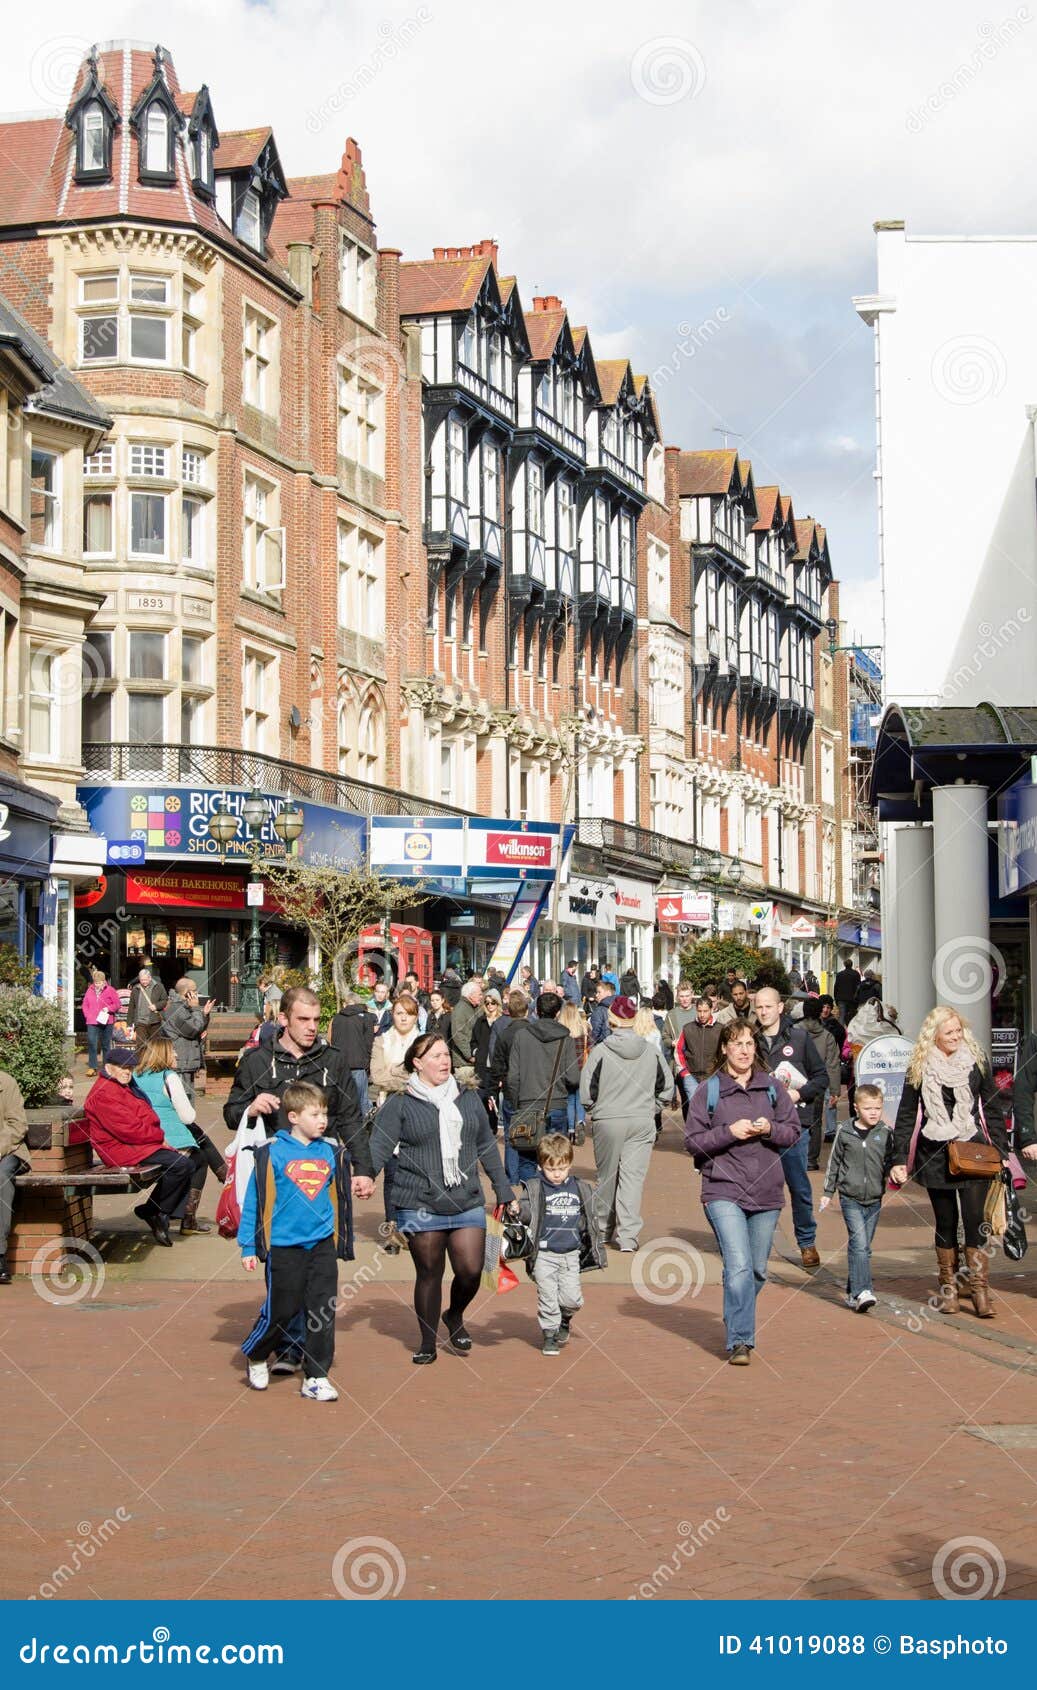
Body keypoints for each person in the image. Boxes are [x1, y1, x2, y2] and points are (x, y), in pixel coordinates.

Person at [369, 1032, 514, 1362]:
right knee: (430, 1272)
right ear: (417, 1063)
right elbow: (379, 1145)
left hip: (466, 1197)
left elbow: (485, 1145)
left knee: (471, 1269)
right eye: (435, 1056)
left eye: (446, 1054)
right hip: (419, 1201)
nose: (445, 1061)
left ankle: (455, 1314)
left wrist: (503, 1189)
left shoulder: (467, 1097)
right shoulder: (400, 1103)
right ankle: (427, 1342)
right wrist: (365, 1176)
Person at [684, 1020, 801, 1363]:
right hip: (723, 1189)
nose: (744, 1050)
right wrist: (729, 1132)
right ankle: (740, 1341)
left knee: (756, 1270)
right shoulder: (709, 1091)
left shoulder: (772, 1088)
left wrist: (771, 1129)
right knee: (738, 1266)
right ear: (724, 1049)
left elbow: (793, 1132)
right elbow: (693, 1142)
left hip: (766, 1191)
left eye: (749, 1043)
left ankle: (735, 1311)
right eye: (737, 1044)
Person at [890, 1005, 1009, 1319]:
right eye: (949, 1032)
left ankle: (979, 1290)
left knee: (974, 1221)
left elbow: (992, 1108)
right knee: (945, 1223)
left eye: (958, 1030)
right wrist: (899, 1158)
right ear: (935, 1036)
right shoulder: (919, 1066)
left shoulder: (976, 1061)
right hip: (934, 1154)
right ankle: (949, 1290)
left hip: (973, 1151)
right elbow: (906, 1115)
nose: (956, 1036)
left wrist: (1002, 1152)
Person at [239, 1080, 353, 1401]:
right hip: (284, 1246)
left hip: (321, 1245)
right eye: (315, 1114)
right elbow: (255, 1201)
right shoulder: (272, 1151)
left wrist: (341, 1239)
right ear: (293, 1117)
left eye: (325, 1114)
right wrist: (249, 1245)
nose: (322, 1120)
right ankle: (257, 1353)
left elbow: (338, 1198)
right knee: (283, 1309)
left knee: (323, 1310)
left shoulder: (330, 1151)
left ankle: (316, 1376)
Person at [581, 995, 673, 1252]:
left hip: (608, 1120)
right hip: (641, 1120)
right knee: (633, 1179)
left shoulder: (600, 1051)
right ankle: (628, 1236)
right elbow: (667, 1088)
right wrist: (651, 1109)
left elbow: (587, 1092)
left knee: (606, 1177)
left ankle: (602, 1229)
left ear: (611, 1019)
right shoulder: (651, 1051)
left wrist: (598, 1111)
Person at [82, 1039, 194, 1246]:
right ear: (109, 1067)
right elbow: (129, 1130)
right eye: (123, 1068)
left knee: (187, 1162)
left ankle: (155, 1212)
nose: (128, 1072)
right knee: (181, 1165)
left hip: (137, 1144)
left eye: (130, 1068)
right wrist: (159, 1137)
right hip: (121, 1149)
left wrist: (157, 1136)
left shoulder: (124, 1086)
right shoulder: (104, 1093)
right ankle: (157, 1212)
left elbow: (146, 1116)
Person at [752, 985, 828, 1269]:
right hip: (761, 1124)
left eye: (768, 1006)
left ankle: (807, 1242)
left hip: (794, 1122)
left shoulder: (799, 1038)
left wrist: (799, 1093)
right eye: (759, 1007)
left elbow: (821, 1078)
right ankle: (758, 1243)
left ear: (780, 1007)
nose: (763, 1012)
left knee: (799, 1186)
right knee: (761, 1186)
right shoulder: (750, 1040)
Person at [510, 1132, 605, 1355]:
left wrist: (590, 1239)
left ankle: (565, 1318)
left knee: (573, 1299)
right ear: (541, 1166)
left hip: (570, 1253)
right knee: (548, 1296)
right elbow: (528, 1212)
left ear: (570, 1164)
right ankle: (550, 1334)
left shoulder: (579, 1188)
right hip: (544, 1253)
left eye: (561, 1168)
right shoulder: (535, 1187)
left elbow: (586, 1218)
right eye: (551, 1169)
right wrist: (518, 1210)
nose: (556, 1174)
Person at [134, 1035, 223, 1235]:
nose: (176, 1054)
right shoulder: (169, 1077)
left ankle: (224, 1176)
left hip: (142, 1138)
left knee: (199, 1144)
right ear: (163, 1054)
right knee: (199, 1158)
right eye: (172, 1051)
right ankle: (175, 1214)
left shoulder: (134, 1076)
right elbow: (188, 1116)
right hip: (167, 1140)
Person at [819, 1082, 894, 1312]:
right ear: (856, 1108)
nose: (873, 1113)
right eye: (868, 1108)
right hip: (849, 1197)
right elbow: (834, 1162)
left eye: (877, 1108)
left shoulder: (885, 1133)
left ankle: (853, 1293)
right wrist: (828, 1192)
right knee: (859, 1244)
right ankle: (864, 1291)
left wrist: (895, 1172)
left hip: (874, 1198)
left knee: (863, 1247)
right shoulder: (844, 1131)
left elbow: (891, 1161)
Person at [506, 991, 581, 1181]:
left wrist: (517, 1104)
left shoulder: (522, 1036)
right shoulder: (566, 1039)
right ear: (558, 1013)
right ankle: (551, 1196)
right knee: (556, 1159)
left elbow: (513, 1077)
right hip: (556, 1104)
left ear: (536, 1011)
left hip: (527, 1105)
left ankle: (531, 1196)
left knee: (527, 1161)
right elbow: (573, 1078)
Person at [369, 994, 421, 1250]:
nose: (403, 1018)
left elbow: (425, 1075)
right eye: (399, 1013)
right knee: (391, 1172)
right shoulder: (381, 1040)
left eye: (408, 1014)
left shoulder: (423, 1042)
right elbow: (377, 1076)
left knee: (415, 1172)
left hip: (418, 1110)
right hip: (388, 1109)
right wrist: (405, 1076)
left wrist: (395, 1073)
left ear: (415, 1016)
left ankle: (411, 1226)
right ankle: (392, 1226)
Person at [800, 996, 841, 1170]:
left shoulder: (793, 1031)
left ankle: (796, 1157)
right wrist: (835, 1090)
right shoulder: (827, 1036)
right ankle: (811, 1160)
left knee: (794, 1119)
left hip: (796, 1083)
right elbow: (832, 1065)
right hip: (817, 1083)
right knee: (815, 1122)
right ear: (819, 1013)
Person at [159, 979, 215, 1099]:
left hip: (187, 1060)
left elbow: (199, 1029)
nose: (197, 994)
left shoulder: (185, 1007)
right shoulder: (176, 1009)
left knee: (188, 1098)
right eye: (194, 991)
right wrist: (196, 1009)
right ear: (186, 992)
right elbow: (194, 1029)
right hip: (180, 1062)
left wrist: (204, 1014)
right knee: (183, 1099)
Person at [0, 1067, 29, 1285]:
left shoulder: (5, 1083)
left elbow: (17, 1125)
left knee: (0, 1177)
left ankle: (0, 1255)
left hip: (8, 1150)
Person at [329, 990, 376, 1118]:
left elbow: (333, 1041)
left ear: (345, 1004)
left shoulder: (336, 1018)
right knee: (362, 1101)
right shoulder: (365, 1018)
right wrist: (368, 1063)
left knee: (344, 1102)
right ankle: (365, 1126)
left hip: (340, 1065)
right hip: (359, 1064)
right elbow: (369, 1043)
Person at [674, 997, 722, 1114]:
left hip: (713, 1076)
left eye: (705, 1011)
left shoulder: (720, 1029)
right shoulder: (688, 1028)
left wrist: (721, 1072)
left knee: (712, 1109)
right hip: (691, 1075)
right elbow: (679, 1050)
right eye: (699, 1011)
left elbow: (726, 1052)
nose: (702, 1015)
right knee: (696, 1109)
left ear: (711, 1010)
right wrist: (684, 1072)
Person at [557, 999, 590, 1143]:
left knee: (570, 1100)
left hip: (567, 1069)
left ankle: (570, 1130)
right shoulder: (584, 1029)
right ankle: (581, 1121)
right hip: (582, 1068)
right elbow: (591, 1046)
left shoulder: (561, 1031)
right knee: (580, 1099)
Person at [82, 970, 121, 1076]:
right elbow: (85, 1004)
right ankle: (92, 1067)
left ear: (104, 981)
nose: (97, 985)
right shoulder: (89, 990)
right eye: (96, 982)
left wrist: (108, 1009)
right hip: (92, 1021)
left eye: (99, 983)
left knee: (105, 1045)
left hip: (107, 1021)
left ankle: (106, 1067)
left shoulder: (110, 990)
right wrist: (87, 1015)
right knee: (92, 1043)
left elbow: (117, 1004)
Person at [449, 978, 484, 1077]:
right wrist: (469, 1056)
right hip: (464, 1064)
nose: (481, 997)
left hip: (473, 1061)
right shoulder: (460, 1010)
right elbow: (458, 1035)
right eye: (479, 994)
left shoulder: (474, 1007)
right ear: (471, 995)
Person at [126, 968, 167, 1049]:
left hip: (155, 1021)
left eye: (145, 980)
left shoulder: (159, 986)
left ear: (150, 978)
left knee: (155, 1046)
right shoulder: (135, 989)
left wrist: (156, 1006)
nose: (144, 982)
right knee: (141, 1046)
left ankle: (154, 1058)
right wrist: (129, 1024)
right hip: (140, 1022)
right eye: (142, 980)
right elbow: (131, 1007)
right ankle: (141, 1057)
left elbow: (165, 1000)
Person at [833, 955, 862, 1027]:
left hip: (841, 998)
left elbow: (836, 987)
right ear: (852, 965)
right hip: (852, 999)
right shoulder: (856, 974)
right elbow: (859, 987)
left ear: (844, 965)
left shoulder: (839, 974)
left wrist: (836, 998)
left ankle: (840, 1031)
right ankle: (851, 1030)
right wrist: (858, 999)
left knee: (842, 1016)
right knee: (851, 1016)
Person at [588, 978, 616, 1045]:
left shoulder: (599, 1010)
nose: (596, 995)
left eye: (599, 992)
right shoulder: (622, 1006)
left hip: (603, 1046)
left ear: (608, 993)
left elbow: (595, 1035)